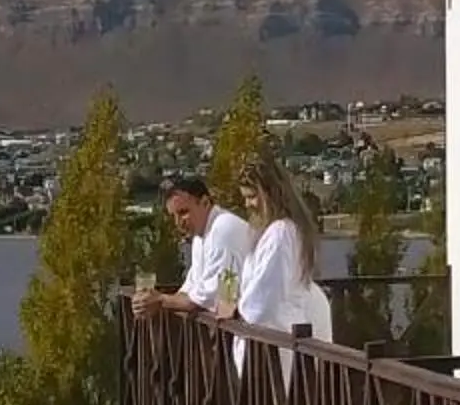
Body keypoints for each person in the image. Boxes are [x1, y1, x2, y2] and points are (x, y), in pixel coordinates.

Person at [221, 146, 333, 359]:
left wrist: (234, 310)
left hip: (275, 343)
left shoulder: (281, 233)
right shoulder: (284, 231)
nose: (248, 204)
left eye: (252, 197)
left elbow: (263, 300)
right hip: (277, 339)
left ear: (270, 194)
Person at [131, 173, 252, 317]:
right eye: (173, 216)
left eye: (183, 212)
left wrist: (161, 300)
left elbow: (210, 298)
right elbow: (191, 290)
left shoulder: (223, 229)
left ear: (205, 202)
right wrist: (150, 301)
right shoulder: (200, 236)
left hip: (261, 332)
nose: (178, 223)